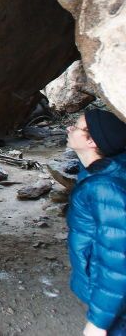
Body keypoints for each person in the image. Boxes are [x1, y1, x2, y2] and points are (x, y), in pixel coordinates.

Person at [66, 108, 126, 336]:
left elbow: (117, 261)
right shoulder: (102, 170)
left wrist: (98, 323)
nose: (69, 128)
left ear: (92, 141)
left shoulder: (105, 189)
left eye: (77, 127)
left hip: (116, 307)